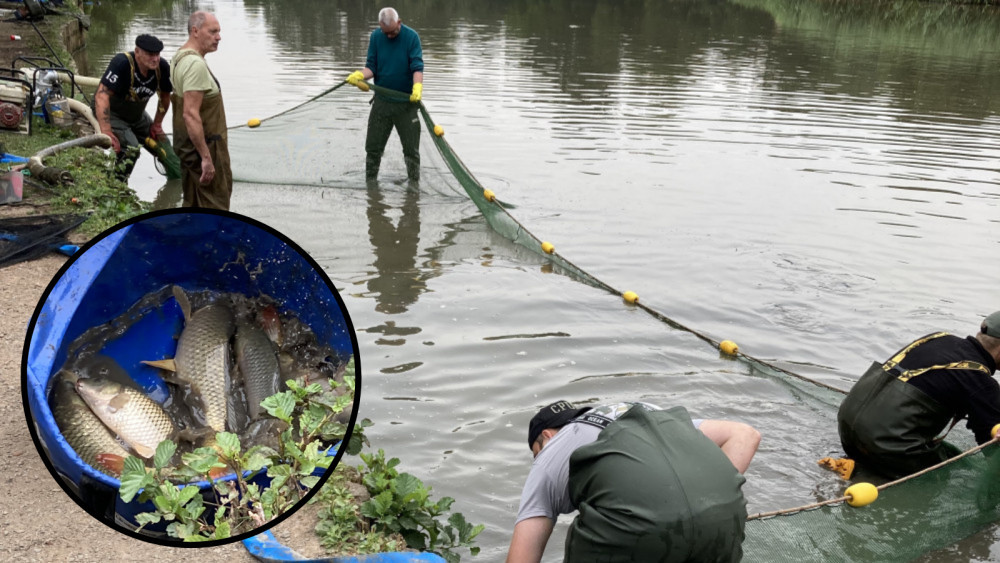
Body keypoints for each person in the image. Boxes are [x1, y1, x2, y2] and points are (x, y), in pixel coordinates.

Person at [508, 400, 761, 562]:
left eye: (535, 452)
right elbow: (745, 435)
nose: (536, 460)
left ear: (546, 436)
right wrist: (706, 500)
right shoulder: (648, 414)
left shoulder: (549, 456)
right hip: (724, 518)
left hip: (634, 529)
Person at [837, 311, 1000, 480]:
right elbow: (992, 446)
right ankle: (862, 476)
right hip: (884, 446)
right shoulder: (981, 381)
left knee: (943, 450)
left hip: (847, 429)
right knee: (952, 469)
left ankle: (857, 465)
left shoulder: (937, 337)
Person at [346, 7, 424, 183]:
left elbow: (417, 68)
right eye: (385, 33)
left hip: (406, 104)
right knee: (373, 148)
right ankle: (371, 186)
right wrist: (359, 75)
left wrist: (417, 87)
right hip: (381, 103)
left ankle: (413, 187)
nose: (389, 36)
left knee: (411, 152)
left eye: (392, 32)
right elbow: (371, 67)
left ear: (399, 22)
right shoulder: (375, 37)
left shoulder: (411, 37)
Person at [171, 11, 232, 210]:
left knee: (193, 205)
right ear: (195, 31)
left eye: (219, 32)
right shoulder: (195, 64)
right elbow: (190, 114)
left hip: (188, 147)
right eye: (213, 31)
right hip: (206, 148)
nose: (218, 37)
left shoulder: (180, 57)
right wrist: (206, 159)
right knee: (216, 207)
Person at [93, 34, 172, 182]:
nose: (155, 59)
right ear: (137, 52)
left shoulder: (162, 67)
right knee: (132, 148)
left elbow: (165, 97)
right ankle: (117, 185)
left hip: (137, 116)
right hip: (113, 113)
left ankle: (177, 187)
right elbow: (101, 96)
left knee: (165, 147)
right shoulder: (122, 63)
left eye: (157, 54)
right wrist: (106, 131)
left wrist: (157, 124)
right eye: (150, 54)